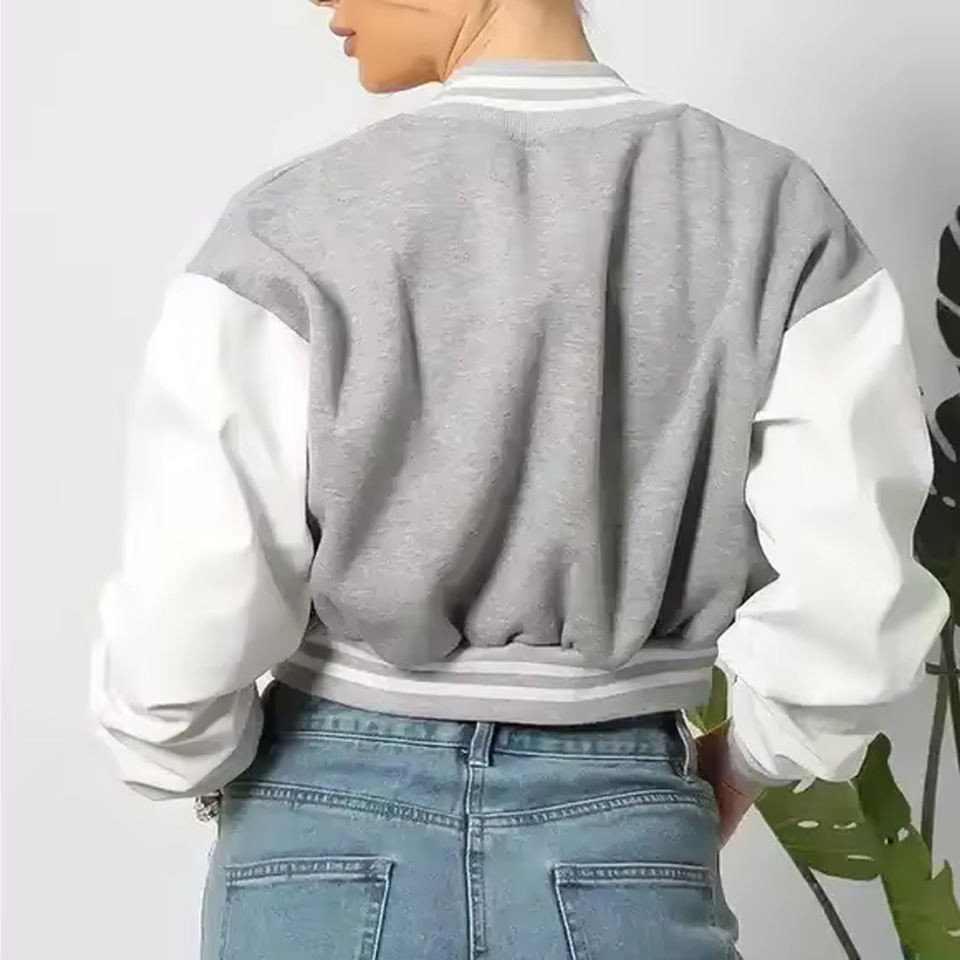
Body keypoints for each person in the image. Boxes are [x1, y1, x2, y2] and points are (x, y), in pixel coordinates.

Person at [87, 0, 951, 957]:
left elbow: (188, 612)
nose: (321, 0)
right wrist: (746, 762)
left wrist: (201, 760)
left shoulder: (288, 223)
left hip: (321, 826)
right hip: (620, 820)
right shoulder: (772, 212)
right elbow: (854, 593)